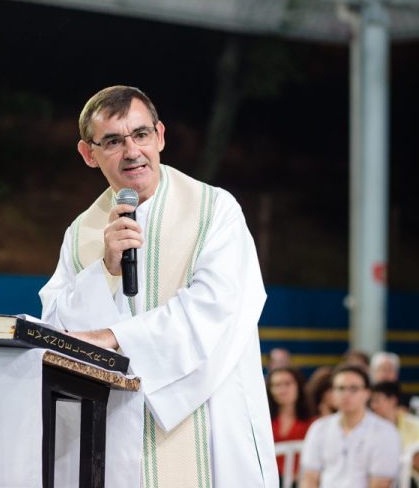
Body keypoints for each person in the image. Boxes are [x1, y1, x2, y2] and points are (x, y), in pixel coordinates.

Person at [40, 85, 278, 487]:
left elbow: (216, 307)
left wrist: (117, 337)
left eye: (141, 134)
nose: (132, 151)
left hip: (209, 424)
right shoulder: (82, 233)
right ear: (88, 154)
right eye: (113, 141)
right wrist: (105, 270)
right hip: (118, 435)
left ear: (161, 136)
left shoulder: (214, 210)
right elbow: (58, 328)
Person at [299, 364, 400, 488]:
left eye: (353, 389)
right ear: (332, 393)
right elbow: (309, 479)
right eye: (340, 388)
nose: (346, 394)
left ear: (367, 393)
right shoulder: (319, 428)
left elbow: (380, 484)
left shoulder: (385, 432)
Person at [267, 367, 313, 486]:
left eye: (287, 384)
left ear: (298, 386)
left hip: (303, 481)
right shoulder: (263, 421)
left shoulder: (314, 422)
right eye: (276, 385)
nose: (282, 390)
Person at [370, 381, 419, 487]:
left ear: (392, 401)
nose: (373, 406)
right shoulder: (368, 429)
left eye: (377, 401)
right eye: (371, 402)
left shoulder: (415, 426)